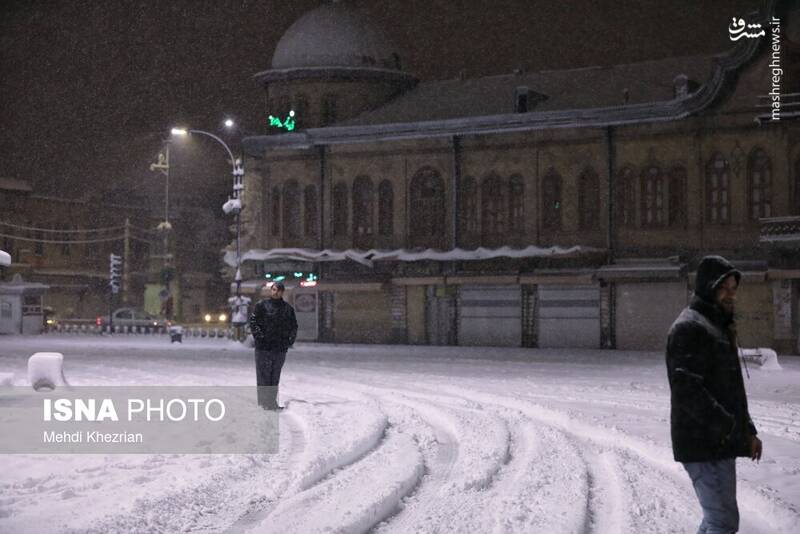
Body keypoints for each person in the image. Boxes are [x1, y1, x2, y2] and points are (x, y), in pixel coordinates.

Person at [666, 255, 762, 533]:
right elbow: (688, 391)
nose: (731, 295)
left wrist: (747, 431)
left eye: (733, 289)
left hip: (718, 443)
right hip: (702, 445)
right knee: (722, 521)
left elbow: (729, 390)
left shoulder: (716, 326)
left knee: (718, 520)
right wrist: (729, 427)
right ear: (709, 287)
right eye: (725, 288)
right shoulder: (690, 328)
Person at [249, 281, 298, 410]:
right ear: (271, 291)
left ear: (282, 292)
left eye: (278, 290)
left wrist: (289, 341)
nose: (276, 292)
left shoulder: (287, 309)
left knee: (274, 376)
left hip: (279, 348)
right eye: (274, 290)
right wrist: (259, 338)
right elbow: (253, 322)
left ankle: (271, 402)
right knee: (264, 375)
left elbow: (293, 326)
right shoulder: (262, 306)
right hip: (263, 347)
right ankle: (265, 403)